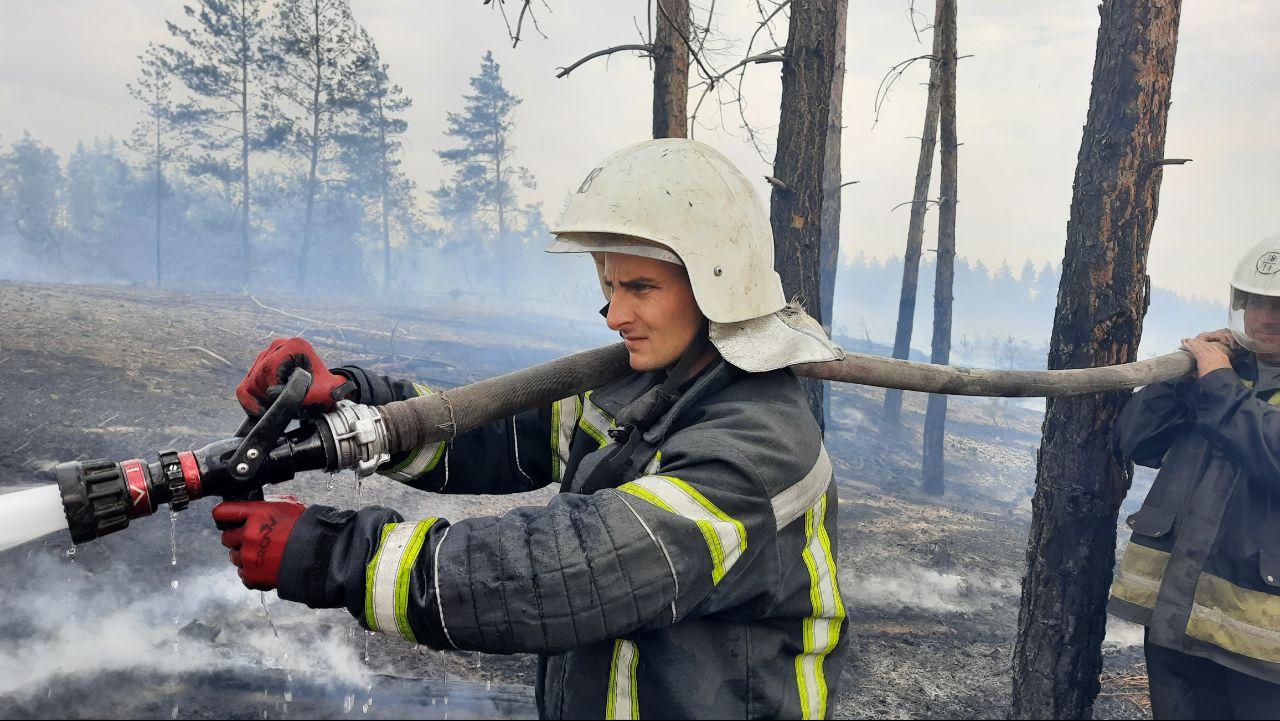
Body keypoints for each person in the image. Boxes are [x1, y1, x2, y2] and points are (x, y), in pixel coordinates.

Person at [213, 139, 850, 719]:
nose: (614, 315)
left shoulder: (758, 445)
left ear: (720, 286)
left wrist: (333, 554)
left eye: (641, 288)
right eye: (608, 286)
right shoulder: (647, 385)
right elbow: (498, 436)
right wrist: (355, 404)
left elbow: (573, 572)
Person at [1110, 238, 1280, 719]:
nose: (1265, 317)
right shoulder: (1221, 374)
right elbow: (1137, 441)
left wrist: (1217, 386)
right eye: (1255, 302)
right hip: (1178, 615)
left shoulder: (1221, 383)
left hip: (1264, 647)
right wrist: (1178, 377)